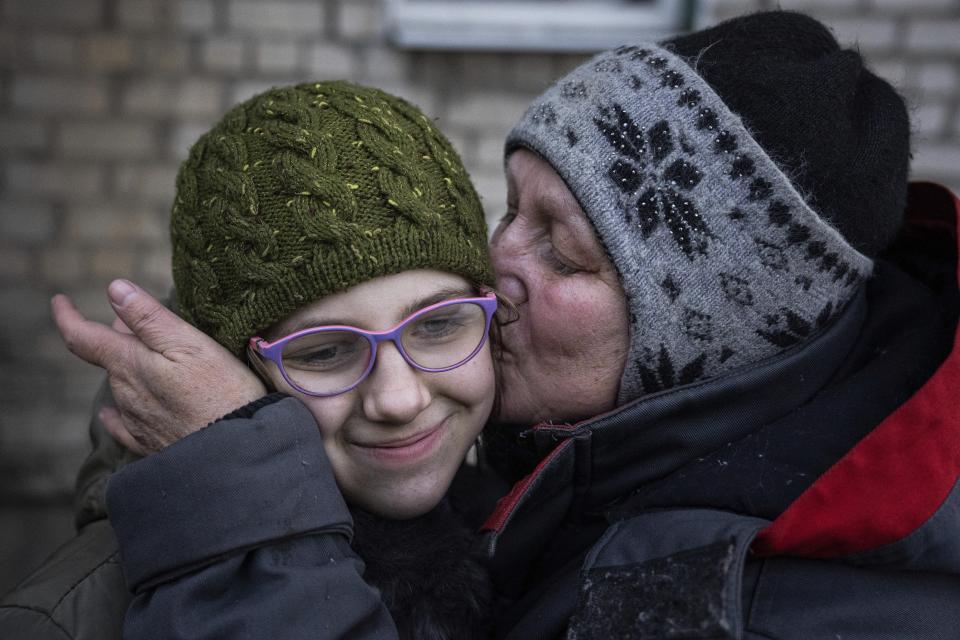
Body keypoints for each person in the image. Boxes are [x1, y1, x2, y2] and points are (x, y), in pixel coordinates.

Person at [6, 9, 960, 639]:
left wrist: (234, 500)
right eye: (514, 209)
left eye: (564, 250)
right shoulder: (557, 456)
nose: (497, 264)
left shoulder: (773, 599)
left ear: (702, 331)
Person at [0, 81, 501, 639]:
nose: (399, 398)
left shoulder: (522, 526)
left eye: (437, 324)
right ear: (221, 370)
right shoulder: (63, 622)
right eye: (324, 352)